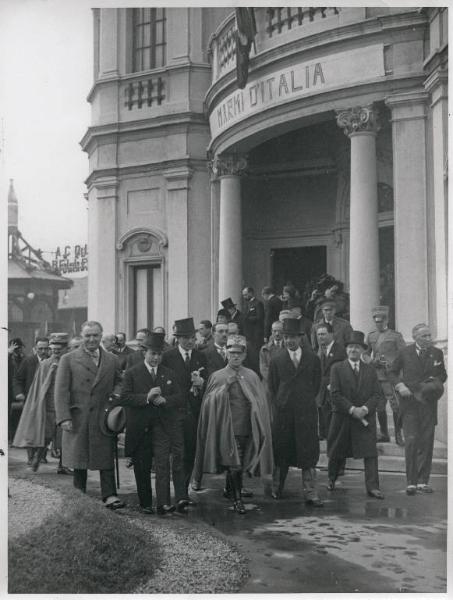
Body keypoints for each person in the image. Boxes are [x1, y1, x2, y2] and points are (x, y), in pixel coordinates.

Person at [193, 335, 273, 514]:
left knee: (240, 462)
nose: (235, 356)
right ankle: (237, 500)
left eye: (239, 353)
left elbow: (260, 401)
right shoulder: (218, 376)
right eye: (232, 353)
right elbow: (208, 402)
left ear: (244, 355)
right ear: (227, 354)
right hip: (227, 428)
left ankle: (230, 490)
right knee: (234, 464)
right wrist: (225, 388)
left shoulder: (251, 375)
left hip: (248, 427)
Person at [54, 320, 125, 509]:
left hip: (103, 416)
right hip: (79, 417)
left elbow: (119, 380)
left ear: (101, 336)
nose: (91, 339)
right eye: (88, 335)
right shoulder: (68, 359)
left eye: (95, 335)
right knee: (80, 459)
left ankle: (109, 495)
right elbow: (60, 391)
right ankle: (80, 495)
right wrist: (63, 417)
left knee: (105, 456)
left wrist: (116, 393)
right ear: (82, 336)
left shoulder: (111, 359)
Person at [121, 333, 187, 515]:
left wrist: (166, 400)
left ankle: (164, 503)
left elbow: (180, 397)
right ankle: (146, 502)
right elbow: (125, 397)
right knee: (142, 466)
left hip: (162, 426)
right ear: (144, 353)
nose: (156, 357)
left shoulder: (169, 373)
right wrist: (146, 398)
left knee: (163, 464)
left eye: (159, 354)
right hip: (141, 426)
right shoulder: (132, 373)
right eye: (152, 354)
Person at [269, 318, 323, 505]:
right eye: (286, 337)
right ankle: (277, 488)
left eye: (293, 337)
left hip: (305, 413)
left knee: (307, 453)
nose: (289, 340)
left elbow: (316, 385)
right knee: (282, 451)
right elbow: (273, 387)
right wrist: (283, 402)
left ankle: (310, 491)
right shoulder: (276, 360)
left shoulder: (313, 359)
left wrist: (304, 400)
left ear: (301, 338)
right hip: (284, 414)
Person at [388, 323, 447, 496]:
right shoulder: (405, 352)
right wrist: (399, 385)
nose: (429, 339)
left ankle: (423, 482)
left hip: (428, 403)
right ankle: (411, 482)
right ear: (415, 338)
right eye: (425, 336)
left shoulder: (436, 353)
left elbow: (443, 374)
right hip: (410, 404)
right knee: (412, 441)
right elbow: (392, 372)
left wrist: (434, 383)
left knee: (426, 441)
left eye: (429, 335)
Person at [328, 331, 384, 498]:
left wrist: (364, 410)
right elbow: (335, 394)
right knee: (337, 450)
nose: (354, 350)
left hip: (365, 418)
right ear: (346, 350)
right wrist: (352, 410)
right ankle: (331, 479)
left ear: (362, 351)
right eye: (351, 347)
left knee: (370, 453)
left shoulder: (370, 370)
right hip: (343, 417)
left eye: (357, 347)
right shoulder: (336, 368)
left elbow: (377, 394)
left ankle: (373, 486)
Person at [161, 317, 207, 502]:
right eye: (185, 337)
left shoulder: (200, 356)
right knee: (178, 453)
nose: (190, 341)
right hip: (174, 413)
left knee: (190, 452)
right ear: (178, 338)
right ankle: (180, 494)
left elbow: (208, 380)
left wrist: (201, 383)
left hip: (194, 413)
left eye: (192, 337)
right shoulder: (168, 357)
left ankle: (184, 488)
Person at [13, 333, 71, 474]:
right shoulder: (45, 364)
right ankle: (36, 460)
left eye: (59, 348)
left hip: (66, 406)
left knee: (64, 437)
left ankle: (63, 466)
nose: (56, 351)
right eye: (54, 348)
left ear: (66, 348)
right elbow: (39, 386)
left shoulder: (70, 362)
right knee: (46, 436)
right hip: (49, 406)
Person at [363, 306, 406, 445]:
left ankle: (399, 435)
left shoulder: (395, 336)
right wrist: (370, 361)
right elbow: (364, 352)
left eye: (381, 321)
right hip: (377, 376)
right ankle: (384, 434)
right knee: (379, 407)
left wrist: (393, 365)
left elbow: (404, 355)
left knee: (396, 406)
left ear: (386, 320)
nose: (378, 323)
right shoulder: (371, 336)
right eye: (376, 321)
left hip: (391, 376)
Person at [13, 336, 50, 464]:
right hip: (31, 400)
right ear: (35, 349)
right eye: (40, 349)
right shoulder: (28, 361)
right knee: (31, 427)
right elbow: (17, 379)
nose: (43, 351)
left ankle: (41, 454)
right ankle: (31, 456)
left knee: (45, 428)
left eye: (46, 348)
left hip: (47, 401)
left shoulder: (53, 362)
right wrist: (19, 393)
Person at [316, 323, 347, 442]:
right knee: (323, 412)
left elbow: (344, 370)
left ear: (331, 334)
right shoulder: (320, 351)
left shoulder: (340, 350)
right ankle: (325, 435)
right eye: (318, 334)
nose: (320, 337)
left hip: (335, 389)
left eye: (323, 334)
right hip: (322, 388)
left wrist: (335, 384)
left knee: (334, 416)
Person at [8, 338, 26, 442]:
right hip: (9, 391)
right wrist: (9, 353)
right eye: (17, 348)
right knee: (10, 416)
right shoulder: (8, 357)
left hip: (19, 391)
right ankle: (10, 437)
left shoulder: (23, 358)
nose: (19, 350)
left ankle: (16, 437)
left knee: (18, 415)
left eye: (20, 348)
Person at [242, 287, 265, 354]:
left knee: (255, 351)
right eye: (243, 295)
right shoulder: (246, 304)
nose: (244, 297)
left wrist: (247, 319)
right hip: (248, 333)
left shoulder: (258, 303)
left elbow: (260, 317)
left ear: (251, 293)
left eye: (245, 295)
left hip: (256, 333)